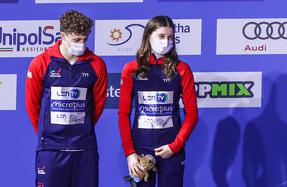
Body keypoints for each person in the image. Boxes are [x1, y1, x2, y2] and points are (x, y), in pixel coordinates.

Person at [26, 10, 108, 187]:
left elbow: (98, 105)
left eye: (85, 39)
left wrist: (82, 128)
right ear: (62, 35)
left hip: (84, 148)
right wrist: (47, 133)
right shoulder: (41, 62)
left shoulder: (97, 64)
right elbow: (32, 106)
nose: (82, 44)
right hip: (51, 148)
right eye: (76, 40)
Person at [118, 15, 198, 187]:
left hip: (171, 150)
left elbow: (192, 114)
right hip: (141, 150)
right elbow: (123, 114)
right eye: (161, 36)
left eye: (170, 37)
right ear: (148, 37)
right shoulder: (131, 69)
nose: (166, 41)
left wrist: (174, 147)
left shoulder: (182, 69)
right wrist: (130, 153)